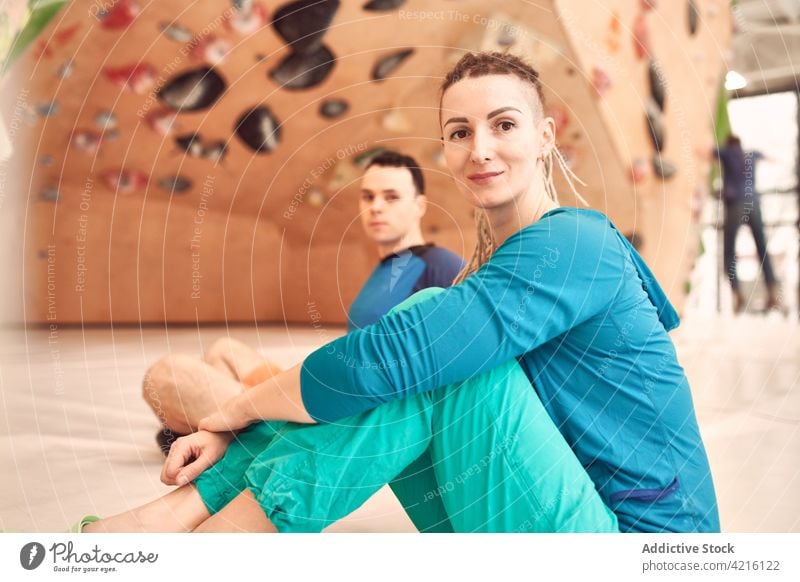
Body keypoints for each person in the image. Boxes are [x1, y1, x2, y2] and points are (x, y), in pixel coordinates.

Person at [82, 51, 719, 534]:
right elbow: (387, 367)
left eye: (503, 124)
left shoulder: (576, 242)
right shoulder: (496, 270)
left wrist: (234, 411)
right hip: (540, 512)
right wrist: (227, 443)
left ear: (546, 135)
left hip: (637, 548)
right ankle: (183, 516)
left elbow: (398, 354)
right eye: (460, 132)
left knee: (426, 341)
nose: (481, 148)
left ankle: (202, 536)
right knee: (419, 356)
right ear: (445, 148)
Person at [142, 151, 464, 453]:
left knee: (165, 374)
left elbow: (465, 351)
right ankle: (214, 434)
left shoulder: (440, 265)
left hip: (351, 418)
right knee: (223, 351)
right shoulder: (389, 266)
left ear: (420, 206)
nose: (376, 207)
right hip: (335, 391)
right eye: (368, 196)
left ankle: (218, 434)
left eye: (391, 197)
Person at [712, 135, 780, 313]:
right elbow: (771, 158)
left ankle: (736, 293)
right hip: (753, 204)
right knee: (761, 247)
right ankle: (772, 290)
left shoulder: (726, 153)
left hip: (735, 205)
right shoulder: (750, 154)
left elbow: (705, 152)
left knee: (729, 250)